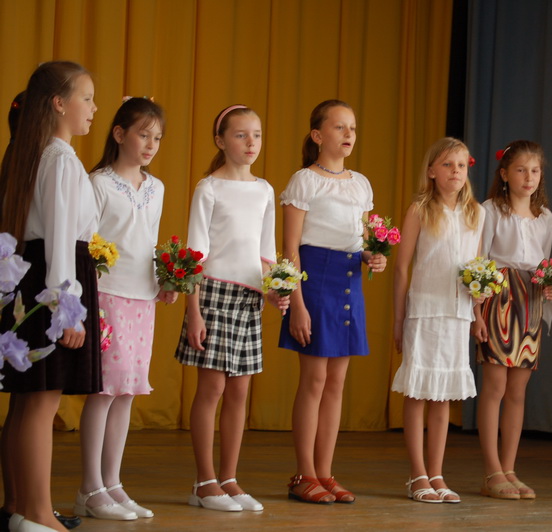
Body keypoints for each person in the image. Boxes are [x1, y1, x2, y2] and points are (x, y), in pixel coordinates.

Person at [0, 61, 99, 532]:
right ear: (59, 103)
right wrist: (68, 309)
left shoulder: (34, 154)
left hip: (31, 278)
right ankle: (37, 513)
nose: (93, 108)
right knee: (42, 403)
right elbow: (61, 240)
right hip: (51, 283)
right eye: (87, 98)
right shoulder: (60, 159)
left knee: (27, 402)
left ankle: (20, 507)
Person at [175, 104, 286, 512]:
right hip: (213, 294)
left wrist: (273, 290)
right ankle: (204, 482)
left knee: (240, 391)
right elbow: (195, 253)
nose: (250, 142)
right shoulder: (209, 188)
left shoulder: (264, 190)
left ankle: (229, 478)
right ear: (220, 141)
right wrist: (193, 310)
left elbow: (266, 252)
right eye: (241, 135)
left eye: (256, 134)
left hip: (249, 299)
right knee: (213, 389)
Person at [279, 100, 385, 504]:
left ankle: (325, 472)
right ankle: (303, 473)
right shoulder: (305, 180)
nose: (348, 134)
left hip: (348, 282)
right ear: (318, 135)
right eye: (339, 127)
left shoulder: (361, 184)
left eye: (352, 128)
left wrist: (371, 256)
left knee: (337, 382)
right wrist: (297, 303)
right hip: (314, 281)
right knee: (314, 381)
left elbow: (360, 240)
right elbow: (291, 248)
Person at [74, 97, 175, 522]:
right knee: (103, 392)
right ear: (119, 134)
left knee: (128, 392)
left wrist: (165, 279)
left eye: (157, 138)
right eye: (143, 135)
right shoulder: (97, 183)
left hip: (142, 299)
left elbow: (149, 240)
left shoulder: (156, 188)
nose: (150, 145)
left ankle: (112, 483)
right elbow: (85, 241)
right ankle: (89, 487)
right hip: (106, 297)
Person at [391, 137, 485, 504]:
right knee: (418, 392)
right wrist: (399, 318)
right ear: (431, 171)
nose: (455, 172)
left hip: (458, 314)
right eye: (447, 164)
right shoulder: (420, 209)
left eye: (461, 165)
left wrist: (477, 313)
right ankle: (417, 474)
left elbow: (478, 269)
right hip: (425, 311)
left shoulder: (476, 214)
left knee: (443, 394)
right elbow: (402, 268)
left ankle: (437, 473)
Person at [471, 141, 552, 500]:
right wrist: (476, 312)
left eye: (535, 170)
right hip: (498, 296)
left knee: (517, 391)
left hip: (531, 299)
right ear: (505, 174)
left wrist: (551, 286)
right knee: (494, 387)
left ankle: (509, 468)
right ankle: (491, 470)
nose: (529, 177)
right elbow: (479, 261)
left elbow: (545, 263)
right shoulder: (490, 210)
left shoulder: (546, 218)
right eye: (521, 170)